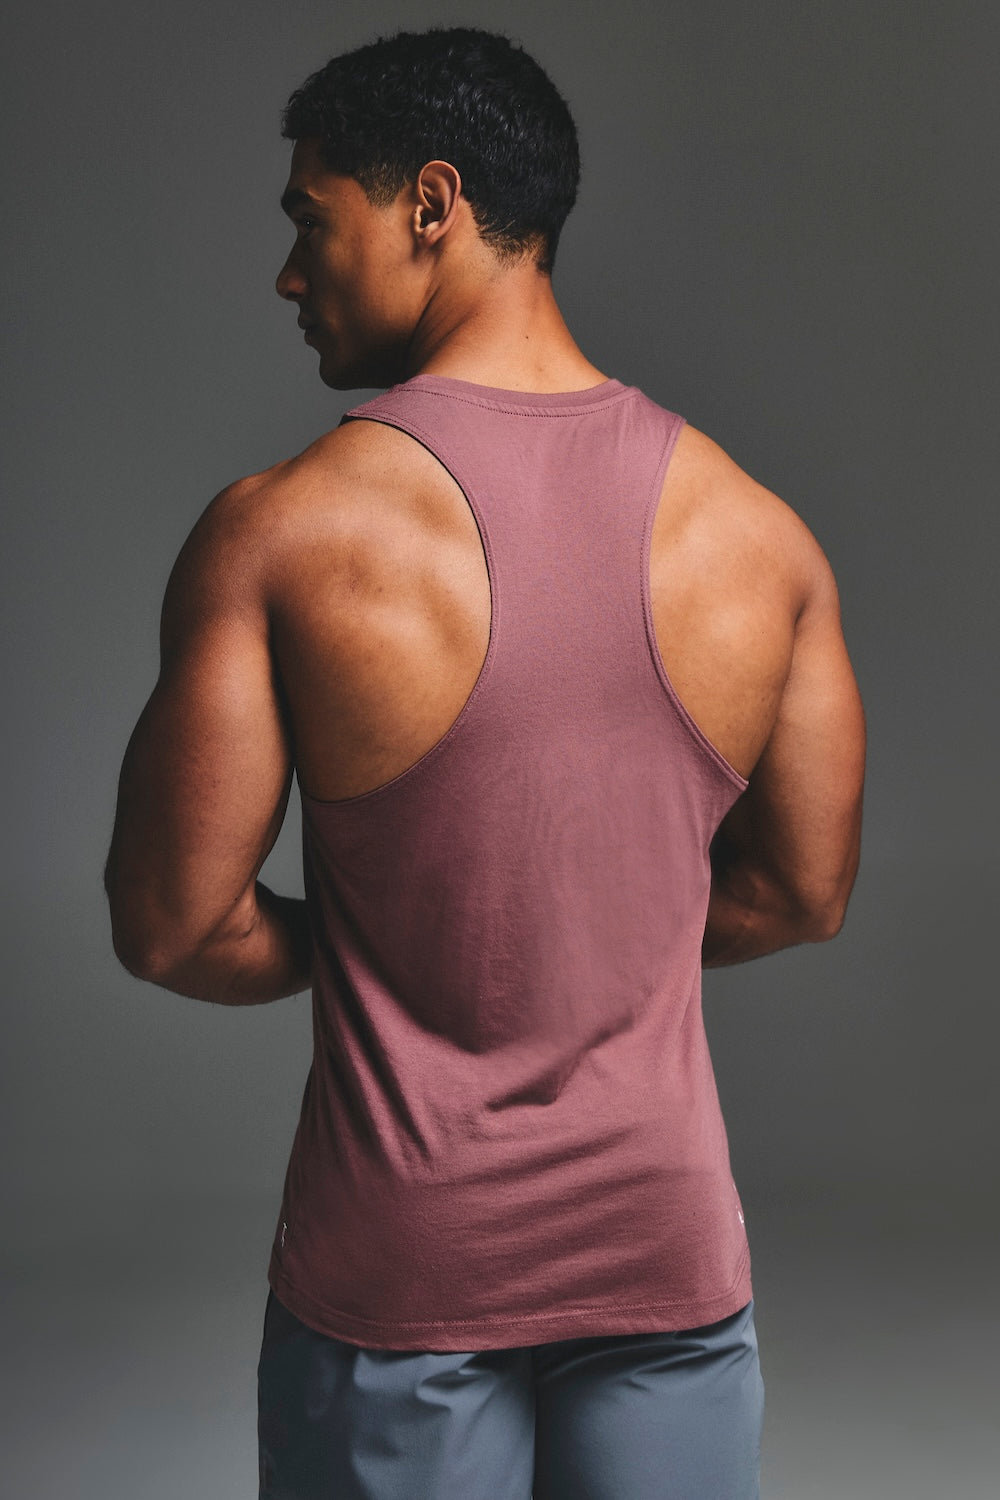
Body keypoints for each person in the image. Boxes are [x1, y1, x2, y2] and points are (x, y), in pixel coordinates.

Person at [104, 24, 866, 1500]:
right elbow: (803, 892)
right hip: (665, 1264)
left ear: (432, 204)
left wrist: (396, 941)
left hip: (402, 1277)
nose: (289, 275)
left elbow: (171, 926)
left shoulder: (285, 533)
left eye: (310, 220)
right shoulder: (762, 539)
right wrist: (594, 932)